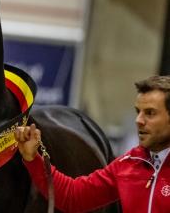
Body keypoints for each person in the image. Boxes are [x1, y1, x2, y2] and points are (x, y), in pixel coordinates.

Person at [14, 75, 170, 212]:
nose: (139, 120)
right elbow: (72, 197)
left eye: (150, 113)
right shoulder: (129, 165)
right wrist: (33, 158)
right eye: (138, 112)